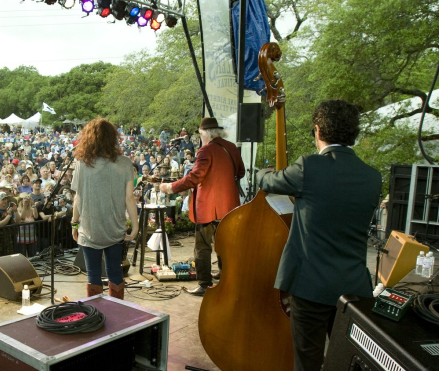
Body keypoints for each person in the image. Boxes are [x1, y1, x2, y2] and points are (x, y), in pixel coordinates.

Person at [255, 100, 381, 371]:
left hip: (310, 285)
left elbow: (268, 181)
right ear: (353, 134)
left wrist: (261, 171)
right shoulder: (372, 177)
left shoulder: (309, 167)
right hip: (354, 288)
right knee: (345, 361)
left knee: (308, 361)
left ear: (317, 131)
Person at [160, 117, 245, 296]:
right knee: (224, 244)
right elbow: (241, 172)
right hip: (229, 207)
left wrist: (171, 187)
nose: (200, 138)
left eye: (200, 134)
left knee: (202, 247)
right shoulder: (231, 147)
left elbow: (195, 177)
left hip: (208, 207)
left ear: (205, 133)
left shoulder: (206, 150)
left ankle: (204, 284)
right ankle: (225, 277)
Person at [70, 118, 138, 299]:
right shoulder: (124, 163)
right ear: (112, 138)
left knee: (93, 274)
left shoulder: (81, 164)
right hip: (115, 227)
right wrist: (136, 225)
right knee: (115, 271)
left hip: (90, 227)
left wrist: (74, 223)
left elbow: (78, 197)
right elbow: (129, 198)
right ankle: (118, 312)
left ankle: (96, 315)